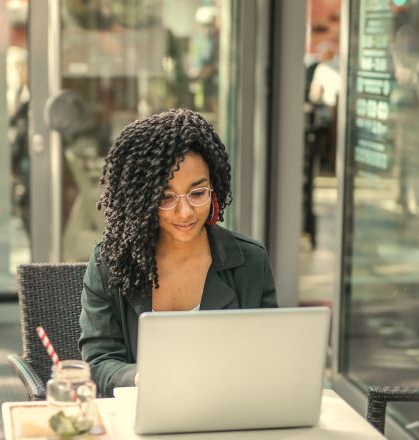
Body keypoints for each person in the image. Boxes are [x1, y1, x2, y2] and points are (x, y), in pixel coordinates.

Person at [78, 109, 278, 397]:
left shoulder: (250, 262)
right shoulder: (110, 263)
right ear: (142, 200)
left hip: (228, 414)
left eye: (197, 194)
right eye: (165, 197)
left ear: (214, 189)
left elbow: (269, 357)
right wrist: (141, 377)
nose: (184, 212)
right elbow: (98, 363)